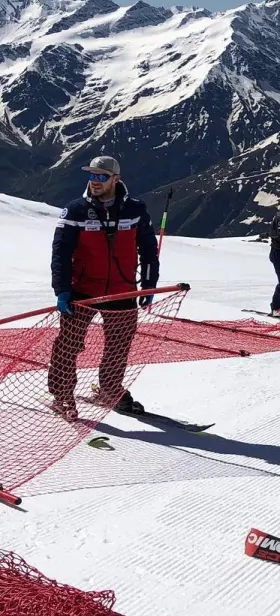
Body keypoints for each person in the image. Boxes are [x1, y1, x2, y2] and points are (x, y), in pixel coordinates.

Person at [48, 155, 159, 420]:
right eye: (91, 176)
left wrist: (149, 284)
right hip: (83, 290)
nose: (95, 181)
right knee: (69, 344)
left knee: (119, 345)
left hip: (123, 289)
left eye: (101, 176)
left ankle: (109, 389)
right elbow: (60, 253)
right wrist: (61, 289)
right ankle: (62, 395)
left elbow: (148, 249)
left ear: (115, 179)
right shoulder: (74, 211)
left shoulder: (135, 209)